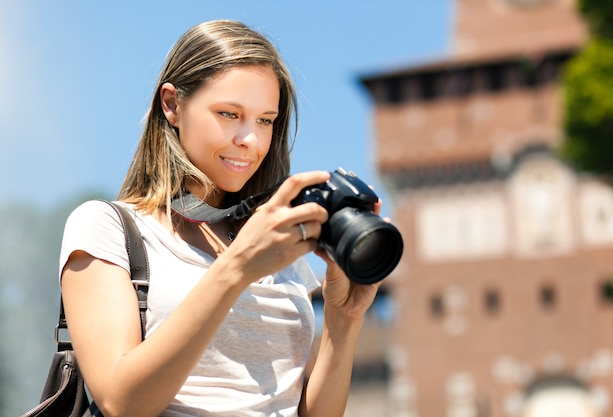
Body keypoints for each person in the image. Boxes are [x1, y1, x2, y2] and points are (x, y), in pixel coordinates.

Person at [60, 19, 382, 417]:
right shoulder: (109, 227)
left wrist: (343, 319)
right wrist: (237, 268)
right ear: (172, 105)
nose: (250, 140)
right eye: (230, 113)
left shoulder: (278, 245)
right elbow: (121, 403)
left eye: (265, 120)